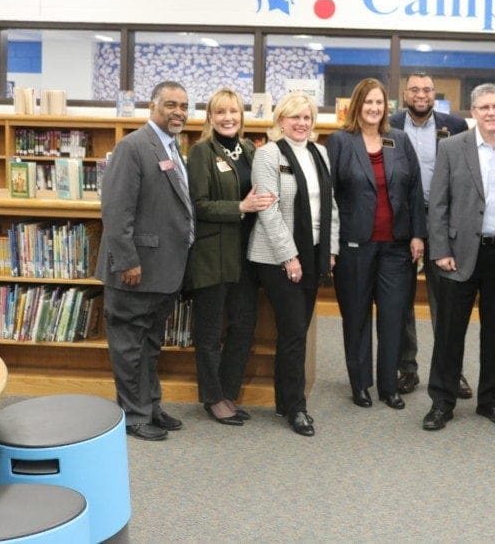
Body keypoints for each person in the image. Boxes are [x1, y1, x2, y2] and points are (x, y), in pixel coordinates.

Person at [421, 84, 495, 431]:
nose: (491, 113)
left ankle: (490, 400)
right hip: (457, 255)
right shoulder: (452, 147)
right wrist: (439, 250)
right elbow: (438, 203)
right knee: (449, 333)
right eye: (484, 107)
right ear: (473, 111)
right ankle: (442, 402)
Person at [96, 81, 194, 441]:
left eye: (184, 105)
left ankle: (151, 406)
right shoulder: (133, 146)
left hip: (162, 270)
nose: (178, 112)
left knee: (150, 345)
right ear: (153, 105)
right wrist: (127, 261)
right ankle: (134, 416)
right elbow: (116, 210)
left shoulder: (171, 147)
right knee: (128, 347)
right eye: (170, 104)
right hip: (135, 271)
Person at [327, 78, 426, 410]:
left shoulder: (397, 139)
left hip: (396, 245)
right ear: (358, 104)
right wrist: (331, 244)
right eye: (368, 102)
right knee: (355, 316)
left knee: (393, 317)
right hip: (355, 244)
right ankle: (360, 385)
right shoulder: (341, 141)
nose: (374, 108)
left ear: (387, 108)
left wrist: (416, 234)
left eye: (380, 103)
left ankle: (389, 386)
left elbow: (414, 190)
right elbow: (330, 196)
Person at [249, 92, 339, 436]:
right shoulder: (268, 154)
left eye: (307, 117)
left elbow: (330, 204)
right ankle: (296, 407)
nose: (301, 123)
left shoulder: (321, 153)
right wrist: (289, 256)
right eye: (294, 117)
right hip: (276, 256)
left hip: (314, 251)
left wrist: (329, 249)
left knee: (297, 330)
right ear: (281, 121)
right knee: (292, 330)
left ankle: (286, 400)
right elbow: (267, 210)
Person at [185, 88, 274, 426]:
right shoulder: (201, 153)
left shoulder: (250, 150)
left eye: (233, 112)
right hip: (212, 255)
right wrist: (240, 207)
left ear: (242, 115)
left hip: (246, 258)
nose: (228, 118)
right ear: (210, 117)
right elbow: (198, 205)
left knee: (243, 327)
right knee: (209, 332)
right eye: (220, 112)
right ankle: (212, 397)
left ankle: (228, 392)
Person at [391, 70, 470, 398]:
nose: (421, 94)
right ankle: (406, 368)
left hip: (441, 219)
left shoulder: (455, 125)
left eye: (427, 90)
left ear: (434, 94)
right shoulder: (390, 125)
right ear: (405, 94)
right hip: (402, 220)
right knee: (401, 298)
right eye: (414, 90)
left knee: (445, 301)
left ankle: (450, 371)